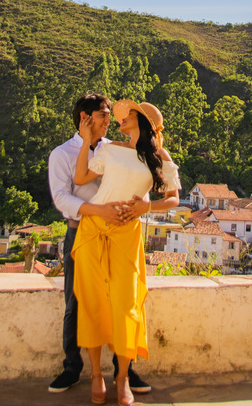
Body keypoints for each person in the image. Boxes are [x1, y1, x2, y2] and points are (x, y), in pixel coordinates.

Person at [72, 98, 180, 406]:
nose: (121, 118)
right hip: (93, 229)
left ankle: (122, 379)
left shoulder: (159, 156)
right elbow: (80, 179)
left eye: (128, 114)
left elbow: (173, 199)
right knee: (92, 302)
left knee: (126, 305)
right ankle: (96, 375)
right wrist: (85, 141)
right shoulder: (110, 149)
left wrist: (147, 207)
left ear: (143, 121)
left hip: (126, 233)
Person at [47, 93, 155, 397]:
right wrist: (99, 211)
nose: (111, 120)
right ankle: (73, 367)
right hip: (81, 232)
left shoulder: (118, 148)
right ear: (85, 118)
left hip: (120, 234)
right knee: (76, 302)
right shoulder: (62, 154)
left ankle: (125, 372)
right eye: (104, 115)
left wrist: (141, 205)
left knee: (123, 302)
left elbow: (141, 180)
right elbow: (61, 198)